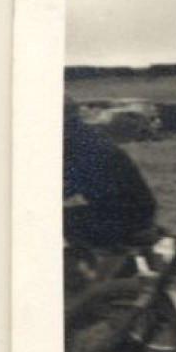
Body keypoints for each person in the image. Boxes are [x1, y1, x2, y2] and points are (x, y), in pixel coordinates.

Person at [63, 95, 157, 249]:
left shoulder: (79, 142)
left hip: (125, 215)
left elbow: (76, 184)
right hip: (133, 210)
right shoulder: (82, 136)